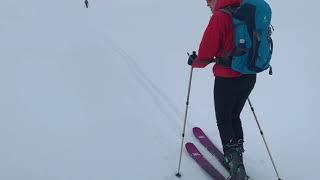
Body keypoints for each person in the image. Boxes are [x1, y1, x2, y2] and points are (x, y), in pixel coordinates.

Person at [188, 0, 256, 179]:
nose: (208, 5)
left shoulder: (220, 17)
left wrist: (196, 61)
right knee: (234, 116)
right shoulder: (246, 10)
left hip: (227, 78)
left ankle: (235, 164)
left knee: (224, 119)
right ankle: (237, 159)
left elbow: (206, 51)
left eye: (209, 1)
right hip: (249, 75)